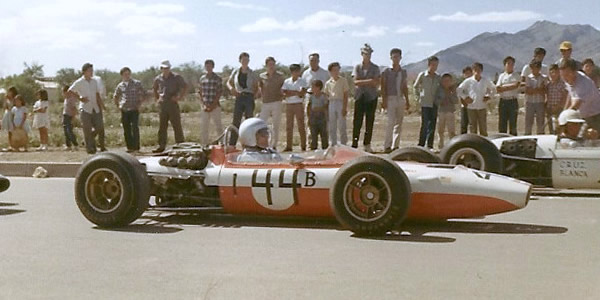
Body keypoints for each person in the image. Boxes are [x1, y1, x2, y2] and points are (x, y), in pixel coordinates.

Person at [69, 62, 106, 154]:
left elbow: (97, 94)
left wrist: (102, 105)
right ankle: (90, 148)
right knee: (87, 128)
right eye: (90, 71)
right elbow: (70, 90)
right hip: (85, 108)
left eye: (92, 70)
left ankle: (90, 139)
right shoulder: (79, 82)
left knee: (99, 126)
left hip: (95, 107)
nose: (91, 72)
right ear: (84, 72)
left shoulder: (94, 81)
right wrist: (80, 98)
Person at [152, 60, 188, 153]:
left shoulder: (176, 77)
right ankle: (161, 145)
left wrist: (179, 97)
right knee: (162, 126)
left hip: (172, 103)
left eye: (167, 68)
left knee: (176, 125)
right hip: (163, 104)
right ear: (161, 69)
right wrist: (157, 98)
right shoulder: (158, 78)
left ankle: (180, 145)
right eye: (164, 68)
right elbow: (155, 88)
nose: (166, 70)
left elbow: (185, 86)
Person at [351, 43, 380, 153]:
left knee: (369, 121)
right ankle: (354, 143)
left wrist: (363, 82)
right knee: (357, 121)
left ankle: (367, 144)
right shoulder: (357, 67)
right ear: (362, 54)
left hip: (371, 97)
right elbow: (355, 82)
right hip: (359, 97)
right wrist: (369, 81)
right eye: (365, 54)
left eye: (369, 54)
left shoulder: (375, 67)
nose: (367, 56)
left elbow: (376, 82)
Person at [227, 52, 259, 146]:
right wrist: (231, 89)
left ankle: (249, 143)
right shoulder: (236, 71)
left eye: (247, 60)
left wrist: (254, 95)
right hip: (239, 96)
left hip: (248, 96)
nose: (245, 61)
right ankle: (231, 144)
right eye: (243, 60)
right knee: (236, 121)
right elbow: (228, 82)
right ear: (240, 60)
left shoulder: (252, 72)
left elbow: (256, 85)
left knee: (249, 121)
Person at [381, 48, 409, 153]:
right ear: (391, 58)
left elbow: (404, 86)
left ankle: (395, 145)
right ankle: (387, 145)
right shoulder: (386, 71)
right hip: (390, 98)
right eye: (394, 57)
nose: (395, 59)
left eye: (397, 57)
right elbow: (383, 86)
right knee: (390, 122)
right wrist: (384, 100)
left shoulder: (403, 72)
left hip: (400, 98)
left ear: (400, 58)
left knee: (399, 123)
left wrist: (407, 100)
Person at [560, 59, 600, 132]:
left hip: (594, 117)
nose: (564, 78)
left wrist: (563, 119)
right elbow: (570, 94)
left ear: (574, 72)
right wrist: (564, 111)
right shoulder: (569, 79)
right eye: (562, 75)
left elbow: (576, 104)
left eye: (566, 75)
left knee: (593, 140)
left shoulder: (583, 83)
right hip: (581, 117)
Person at [457, 62, 496, 136]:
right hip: (471, 107)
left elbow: (494, 89)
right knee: (472, 128)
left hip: (482, 107)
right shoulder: (468, 81)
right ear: (472, 70)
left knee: (483, 127)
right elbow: (459, 89)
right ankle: (474, 144)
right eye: (475, 69)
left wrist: (489, 96)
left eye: (479, 69)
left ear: (481, 70)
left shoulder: (485, 80)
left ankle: (484, 144)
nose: (477, 71)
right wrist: (465, 97)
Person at [114, 67, 147, 153]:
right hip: (124, 109)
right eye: (125, 74)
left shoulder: (136, 83)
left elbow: (144, 93)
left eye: (128, 74)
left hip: (134, 109)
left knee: (135, 128)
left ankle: (136, 147)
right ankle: (130, 147)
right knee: (126, 129)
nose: (127, 76)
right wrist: (118, 106)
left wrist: (140, 103)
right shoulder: (120, 85)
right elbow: (116, 96)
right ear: (122, 75)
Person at [413, 56, 440, 148]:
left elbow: (440, 89)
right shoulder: (422, 75)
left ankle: (430, 145)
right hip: (424, 102)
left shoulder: (438, 77)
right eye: (433, 64)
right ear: (429, 64)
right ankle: (421, 144)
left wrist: (439, 99)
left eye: (436, 65)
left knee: (432, 124)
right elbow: (415, 86)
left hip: (434, 103)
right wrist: (418, 98)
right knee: (424, 124)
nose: (434, 67)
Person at [258, 56, 284, 149]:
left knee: (275, 125)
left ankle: (274, 145)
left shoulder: (280, 76)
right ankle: (261, 144)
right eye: (269, 64)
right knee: (261, 123)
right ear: (266, 65)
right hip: (265, 103)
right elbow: (260, 88)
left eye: (273, 64)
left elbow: (283, 88)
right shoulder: (262, 76)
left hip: (277, 102)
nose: (271, 66)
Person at [282, 64, 308, 152]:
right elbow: (284, 93)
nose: (297, 73)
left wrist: (291, 92)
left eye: (298, 71)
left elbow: (302, 93)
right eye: (295, 71)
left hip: (298, 104)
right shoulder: (287, 81)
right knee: (289, 126)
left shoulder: (302, 81)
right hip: (289, 104)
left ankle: (303, 145)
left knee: (301, 125)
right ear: (292, 72)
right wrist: (296, 92)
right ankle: (289, 146)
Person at [198, 59, 223, 145]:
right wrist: (203, 104)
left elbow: (219, 92)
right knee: (204, 128)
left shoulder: (217, 78)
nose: (208, 68)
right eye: (207, 66)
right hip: (205, 106)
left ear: (213, 67)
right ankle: (204, 145)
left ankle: (221, 144)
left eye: (210, 66)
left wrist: (213, 105)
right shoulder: (202, 78)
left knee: (218, 127)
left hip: (215, 106)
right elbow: (200, 92)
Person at [324, 62, 349, 146]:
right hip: (332, 102)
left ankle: (343, 143)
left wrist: (344, 107)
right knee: (332, 125)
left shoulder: (343, 80)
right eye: (334, 70)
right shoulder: (328, 83)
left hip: (340, 102)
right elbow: (326, 95)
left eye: (337, 70)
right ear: (330, 71)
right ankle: (333, 144)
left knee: (342, 125)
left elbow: (345, 94)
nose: (336, 72)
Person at [496, 56, 521, 136]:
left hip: (513, 101)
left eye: (512, 64)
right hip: (503, 101)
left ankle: (513, 140)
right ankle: (501, 139)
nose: (510, 65)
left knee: (513, 123)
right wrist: (511, 86)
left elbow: (517, 85)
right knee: (502, 122)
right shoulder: (501, 76)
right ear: (505, 65)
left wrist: (504, 87)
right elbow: (498, 88)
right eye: (508, 63)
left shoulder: (517, 75)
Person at [524, 60, 549, 135]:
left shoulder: (544, 78)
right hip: (530, 102)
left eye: (536, 68)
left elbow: (545, 90)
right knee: (528, 121)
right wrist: (539, 89)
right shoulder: (528, 78)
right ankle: (527, 136)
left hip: (540, 102)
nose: (534, 70)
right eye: (533, 68)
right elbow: (528, 91)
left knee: (540, 121)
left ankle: (540, 135)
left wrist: (535, 90)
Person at [435, 73, 457, 148]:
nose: (446, 83)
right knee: (440, 130)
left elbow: (456, 100)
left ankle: (452, 145)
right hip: (441, 111)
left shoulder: (453, 90)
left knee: (451, 130)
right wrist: (441, 100)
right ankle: (440, 145)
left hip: (450, 111)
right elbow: (436, 101)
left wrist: (450, 94)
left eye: (448, 81)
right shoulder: (439, 89)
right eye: (444, 81)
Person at [545, 64, 568, 134]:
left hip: (559, 108)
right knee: (551, 127)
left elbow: (565, 96)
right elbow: (546, 95)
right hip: (550, 108)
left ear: (558, 73)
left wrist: (558, 106)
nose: (553, 74)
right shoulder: (548, 84)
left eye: (555, 72)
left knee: (559, 126)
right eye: (551, 72)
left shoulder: (562, 84)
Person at [307, 80, 328, 150]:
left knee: (324, 135)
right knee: (313, 136)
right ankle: (313, 149)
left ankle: (325, 149)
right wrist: (309, 117)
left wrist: (319, 109)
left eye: (313, 87)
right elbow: (309, 107)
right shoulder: (311, 97)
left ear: (318, 87)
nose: (312, 88)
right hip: (313, 118)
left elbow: (326, 106)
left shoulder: (323, 96)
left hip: (321, 118)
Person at [61, 85, 79, 151]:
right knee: (66, 131)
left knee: (69, 131)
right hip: (65, 115)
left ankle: (75, 144)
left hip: (69, 116)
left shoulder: (71, 99)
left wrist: (73, 118)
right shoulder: (66, 99)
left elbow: (74, 108)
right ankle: (68, 145)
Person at [2, 86, 18, 151]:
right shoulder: (7, 99)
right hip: (7, 114)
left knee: (13, 130)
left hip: (13, 114)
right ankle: (10, 145)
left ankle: (15, 145)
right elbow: (4, 107)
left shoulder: (15, 99)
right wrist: (5, 100)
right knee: (9, 131)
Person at [459, 67, 473, 134]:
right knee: (464, 124)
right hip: (464, 106)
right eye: (466, 73)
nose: (468, 75)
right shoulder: (462, 85)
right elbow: (460, 95)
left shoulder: (474, 84)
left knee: (472, 124)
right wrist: (465, 104)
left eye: (469, 73)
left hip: (473, 107)